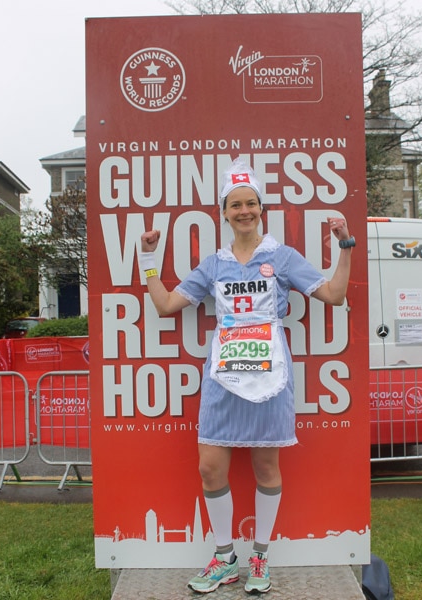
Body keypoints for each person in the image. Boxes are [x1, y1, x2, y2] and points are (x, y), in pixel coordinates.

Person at [140, 157, 354, 595]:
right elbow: (165, 305)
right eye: (235, 204)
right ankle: (224, 559)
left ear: (262, 209)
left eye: (250, 203)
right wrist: (148, 258)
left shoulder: (283, 257)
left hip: (269, 376)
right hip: (223, 375)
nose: (244, 211)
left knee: (265, 465)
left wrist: (345, 245)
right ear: (224, 212)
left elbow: (333, 295)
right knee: (209, 468)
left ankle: (259, 556)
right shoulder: (214, 265)